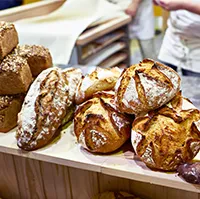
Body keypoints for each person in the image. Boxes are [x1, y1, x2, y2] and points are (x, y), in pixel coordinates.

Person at [154, 0, 200, 76]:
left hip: (197, 50)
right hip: (172, 41)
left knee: (193, 85)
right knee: (159, 82)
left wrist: (183, 4)